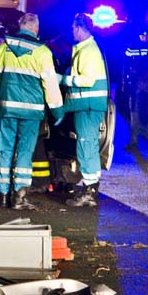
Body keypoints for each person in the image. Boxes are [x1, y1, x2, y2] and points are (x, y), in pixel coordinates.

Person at [0, 13, 63, 210]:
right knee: (25, 151)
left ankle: (3, 195)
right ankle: (20, 196)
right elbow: (50, 84)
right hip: (31, 111)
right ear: (35, 29)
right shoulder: (42, 52)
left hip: (7, 107)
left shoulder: (5, 47)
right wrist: (58, 111)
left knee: (5, 149)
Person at [54, 13, 109, 208]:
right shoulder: (85, 50)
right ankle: (90, 189)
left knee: (86, 148)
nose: (72, 32)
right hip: (86, 106)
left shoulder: (88, 51)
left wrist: (62, 79)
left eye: (73, 28)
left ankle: (89, 192)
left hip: (87, 107)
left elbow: (87, 81)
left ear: (79, 28)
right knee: (87, 148)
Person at [123, 30, 148, 149]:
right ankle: (134, 140)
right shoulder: (131, 48)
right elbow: (125, 66)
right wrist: (124, 82)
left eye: (146, 35)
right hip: (136, 83)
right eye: (142, 35)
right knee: (135, 111)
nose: (144, 37)